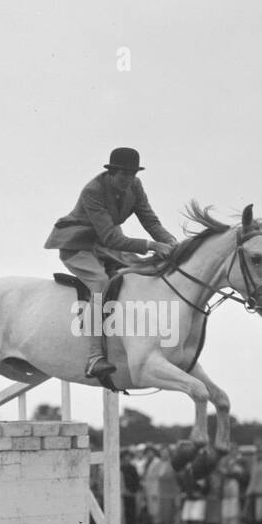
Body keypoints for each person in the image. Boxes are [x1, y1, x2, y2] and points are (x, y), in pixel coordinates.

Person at [43, 147, 179, 379]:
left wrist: (171, 242)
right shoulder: (93, 190)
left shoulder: (134, 186)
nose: (128, 179)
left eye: (132, 174)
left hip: (105, 245)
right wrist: (152, 246)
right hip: (78, 245)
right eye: (123, 174)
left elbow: (150, 220)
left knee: (136, 275)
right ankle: (94, 356)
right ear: (112, 172)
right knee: (101, 283)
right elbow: (111, 237)